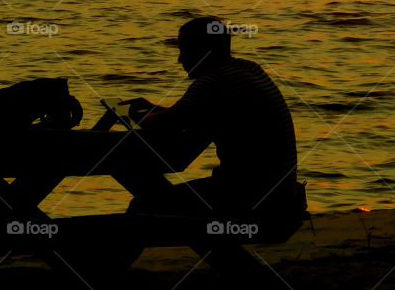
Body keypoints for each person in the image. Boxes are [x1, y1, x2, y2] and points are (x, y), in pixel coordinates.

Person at [121, 16, 302, 228]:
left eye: (184, 50)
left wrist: (131, 113)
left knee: (143, 206)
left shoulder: (214, 81)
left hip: (251, 201)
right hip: (283, 196)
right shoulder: (249, 69)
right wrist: (155, 110)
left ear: (203, 51)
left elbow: (164, 125)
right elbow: (189, 116)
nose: (180, 59)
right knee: (153, 202)